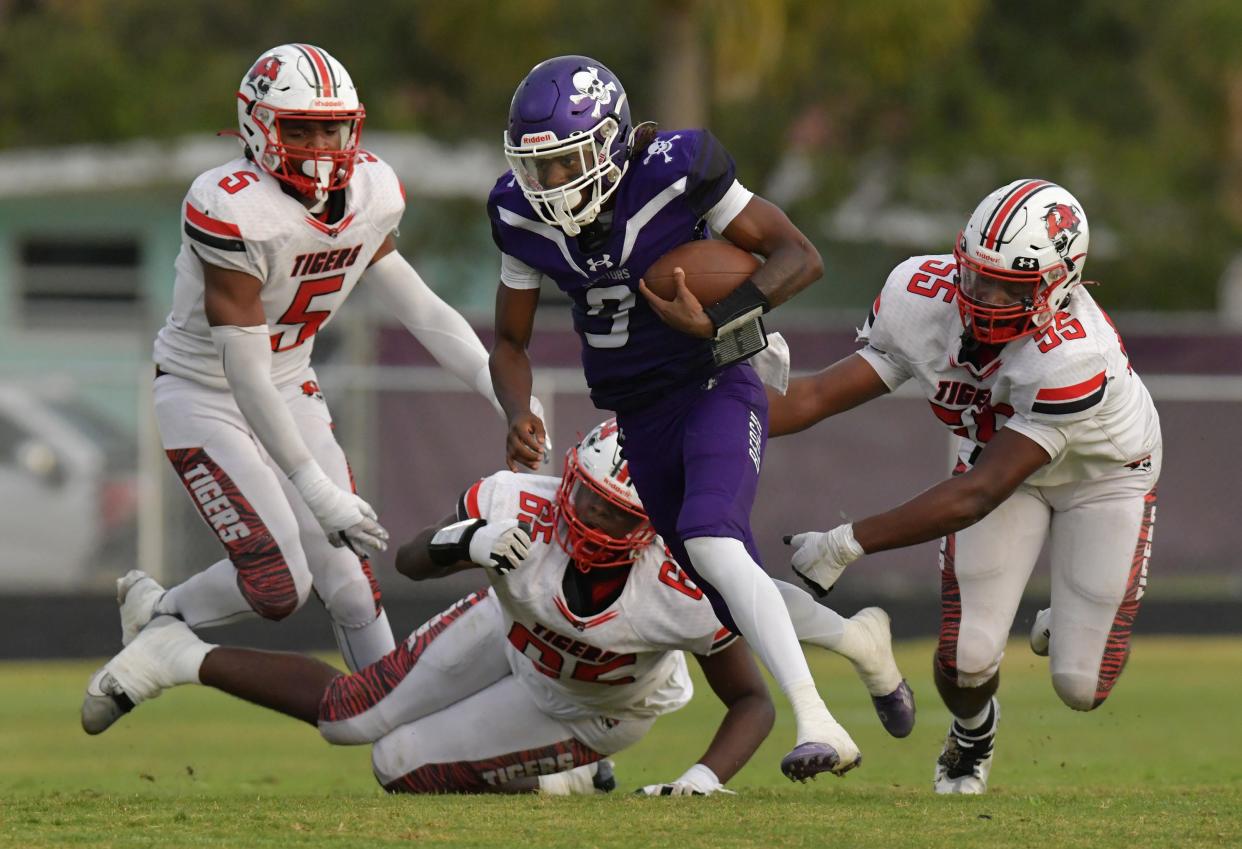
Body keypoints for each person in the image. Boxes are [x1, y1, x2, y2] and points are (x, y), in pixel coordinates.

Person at [82, 421, 906, 795]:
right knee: (347, 719)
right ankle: (173, 654)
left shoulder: (684, 582)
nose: (592, 518)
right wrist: (463, 544)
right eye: (586, 497)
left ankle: (571, 774)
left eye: (619, 513)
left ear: (652, 525)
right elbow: (407, 556)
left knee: (394, 765)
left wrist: (700, 779)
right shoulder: (523, 504)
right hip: (510, 632)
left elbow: (750, 698)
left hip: (596, 706)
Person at [487, 55, 881, 781]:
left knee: (715, 542)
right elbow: (509, 341)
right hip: (638, 412)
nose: (549, 185)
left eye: (565, 162)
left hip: (715, 379)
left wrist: (720, 319)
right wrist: (519, 408)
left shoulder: (676, 167)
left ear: (607, 142)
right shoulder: (517, 214)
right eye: (536, 168)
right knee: (721, 578)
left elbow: (798, 255)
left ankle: (820, 720)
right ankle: (863, 644)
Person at [116, 43, 517, 673]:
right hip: (203, 391)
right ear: (257, 126)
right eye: (301, 129)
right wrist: (313, 485)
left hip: (291, 381)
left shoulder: (371, 193)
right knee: (280, 586)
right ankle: (160, 613)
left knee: (353, 584)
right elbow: (243, 371)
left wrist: (503, 392)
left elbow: (424, 311)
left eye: (333, 127)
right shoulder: (232, 206)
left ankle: (393, 727)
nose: (323, 145)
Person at [776, 179, 1162, 794]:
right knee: (966, 658)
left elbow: (978, 493)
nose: (985, 296)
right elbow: (819, 393)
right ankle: (974, 734)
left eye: (1011, 286)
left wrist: (846, 543)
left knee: (1081, 688)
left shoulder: (1075, 355)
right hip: (999, 459)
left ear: (1061, 284)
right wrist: (714, 421)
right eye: (978, 275)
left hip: (1103, 476)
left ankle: (1070, 612)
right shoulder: (918, 294)